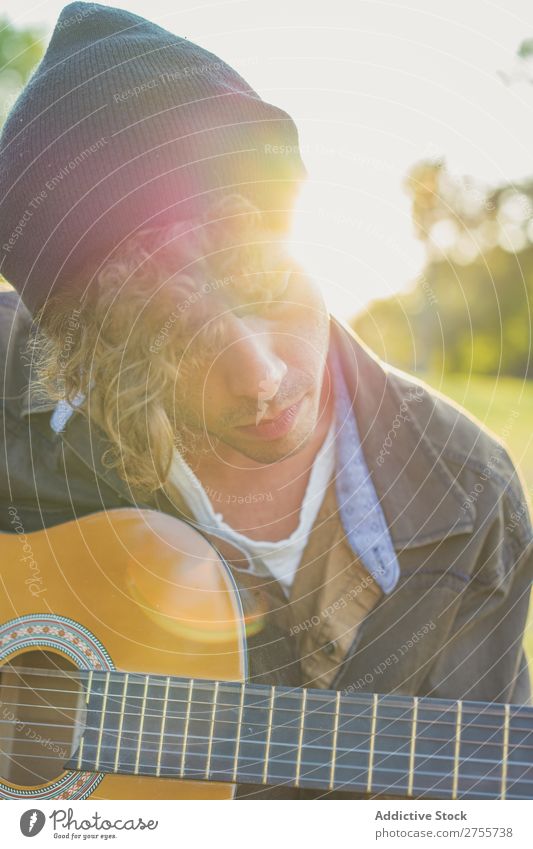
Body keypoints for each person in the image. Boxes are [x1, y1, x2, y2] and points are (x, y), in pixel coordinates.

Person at [1, 1, 532, 799]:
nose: (262, 375)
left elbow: (482, 798)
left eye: (270, 288)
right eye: (175, 344)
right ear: (88, 365)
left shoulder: (469, 498)